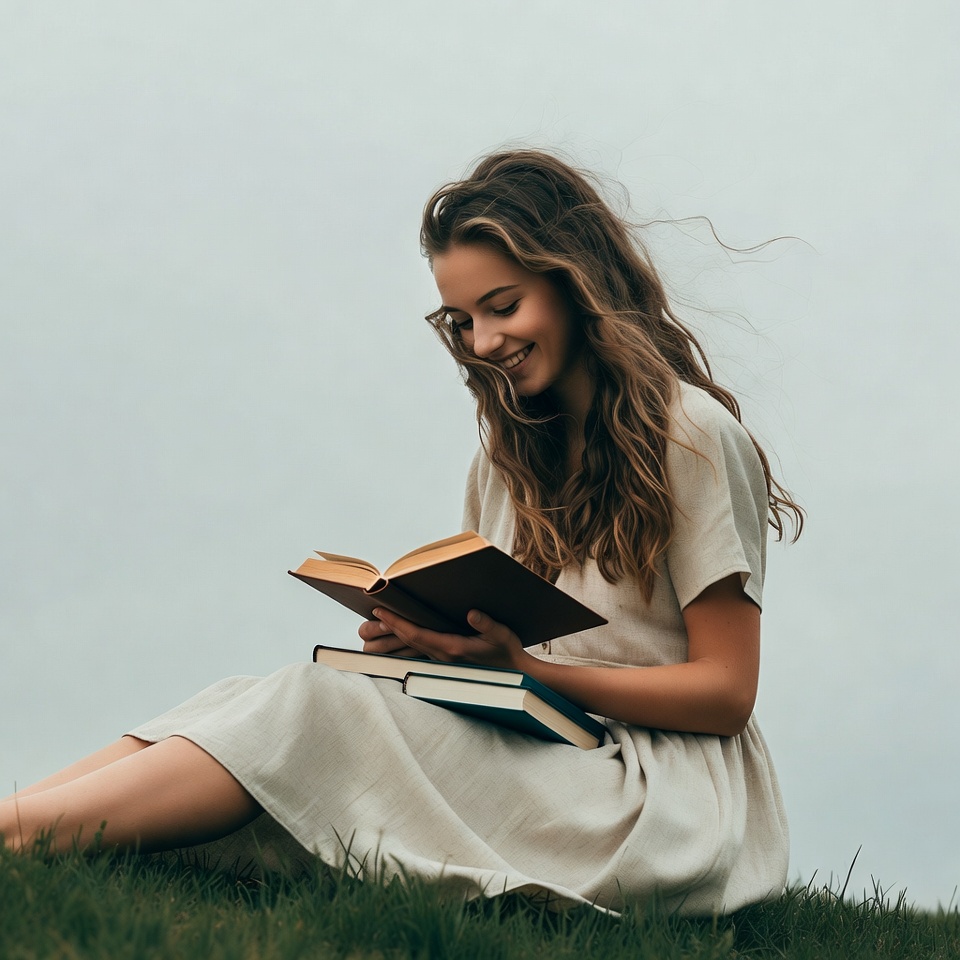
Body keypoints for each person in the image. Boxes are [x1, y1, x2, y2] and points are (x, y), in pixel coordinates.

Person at [1, 149, 803, 915]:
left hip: (656, 794)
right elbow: (508, 644)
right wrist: (435, 644)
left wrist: (523, 668)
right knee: (249, 700)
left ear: (574, 283)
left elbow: (726, 694)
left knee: (315, 711)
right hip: (549, 743)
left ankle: (21, 837)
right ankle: (18, 822)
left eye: (503, 306)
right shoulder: (510, 449)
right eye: (461, 321)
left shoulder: (691, 437)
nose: (484, 344)